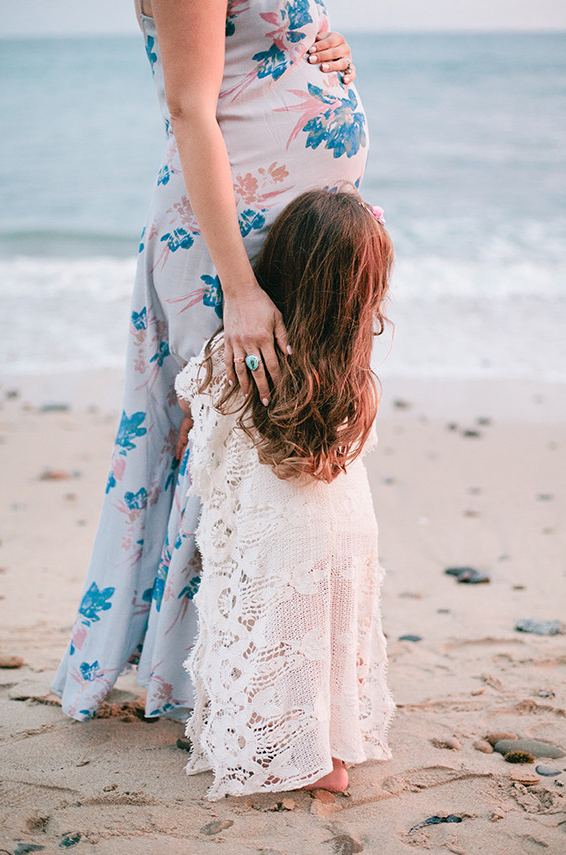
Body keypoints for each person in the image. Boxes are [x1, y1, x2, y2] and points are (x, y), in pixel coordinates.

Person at [52, 0, 370, 724]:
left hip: (296, 222)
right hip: (230, 239)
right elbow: (190, 107)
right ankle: (212, 685)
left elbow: (256, 51)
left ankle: (251, 675)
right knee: (228, 460)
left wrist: (322, 49)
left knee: (280, 452)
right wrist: (241, 288)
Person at [174, 188, 397, 800]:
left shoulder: (239, 352)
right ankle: (330, 747)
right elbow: (360, 443)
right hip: (345, 533)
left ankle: (302, 757)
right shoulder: (353, 366)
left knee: (274, 638)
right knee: (326, 639)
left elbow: (205, 423)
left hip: (273, 536)